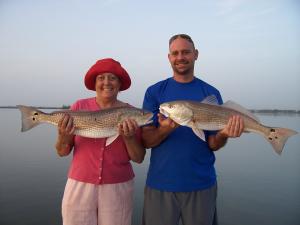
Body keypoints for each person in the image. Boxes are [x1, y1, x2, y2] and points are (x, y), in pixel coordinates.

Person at [141, 34, 244, 225]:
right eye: (175, 53)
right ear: (169, 57)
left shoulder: (211, 93)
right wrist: (165, 130)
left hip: (202, 184)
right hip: (160, 184)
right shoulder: (154, 92)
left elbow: (213, 144)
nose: (180, 57)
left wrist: (223, 133)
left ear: (196, 54)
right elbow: (146, 142)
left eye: (186, 52)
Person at [55, 58, 145, 225]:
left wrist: (130, 137)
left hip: (119, 185)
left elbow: (139, 158)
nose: (106, 82)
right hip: (79, 183)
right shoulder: (78, 106)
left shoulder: (132, 113)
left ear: (120, 83)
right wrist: (63, 134)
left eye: (112, 78)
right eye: (101, 77)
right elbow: (61, 152)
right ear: (95, 83)